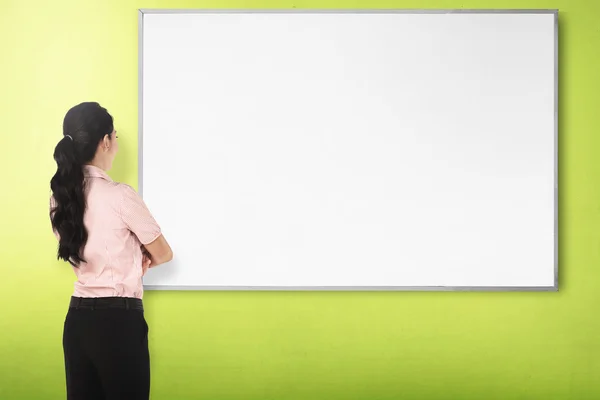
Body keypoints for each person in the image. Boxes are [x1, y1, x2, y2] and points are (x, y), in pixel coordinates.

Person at [49, 102, 173, 400]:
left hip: (77, 322)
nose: (117, 144)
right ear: (105, 141)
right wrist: (138, 260)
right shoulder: (120, 195)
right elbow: (164, 253)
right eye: (115, 137)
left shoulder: (60, 198)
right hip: (118, 323)